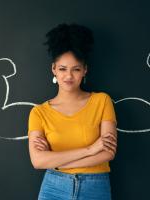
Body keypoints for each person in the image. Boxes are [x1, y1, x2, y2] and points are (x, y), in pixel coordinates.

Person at [28, 23, 117, 200]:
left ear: (85, 70)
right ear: (54, 69)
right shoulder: (38, 113)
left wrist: (56, 161)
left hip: (95, 187)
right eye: (62, 69)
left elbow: (108, 152)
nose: (68, 76)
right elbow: (38, 161)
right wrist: (91, 150)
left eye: (76, 69)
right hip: (53, 187)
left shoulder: (102, 101)